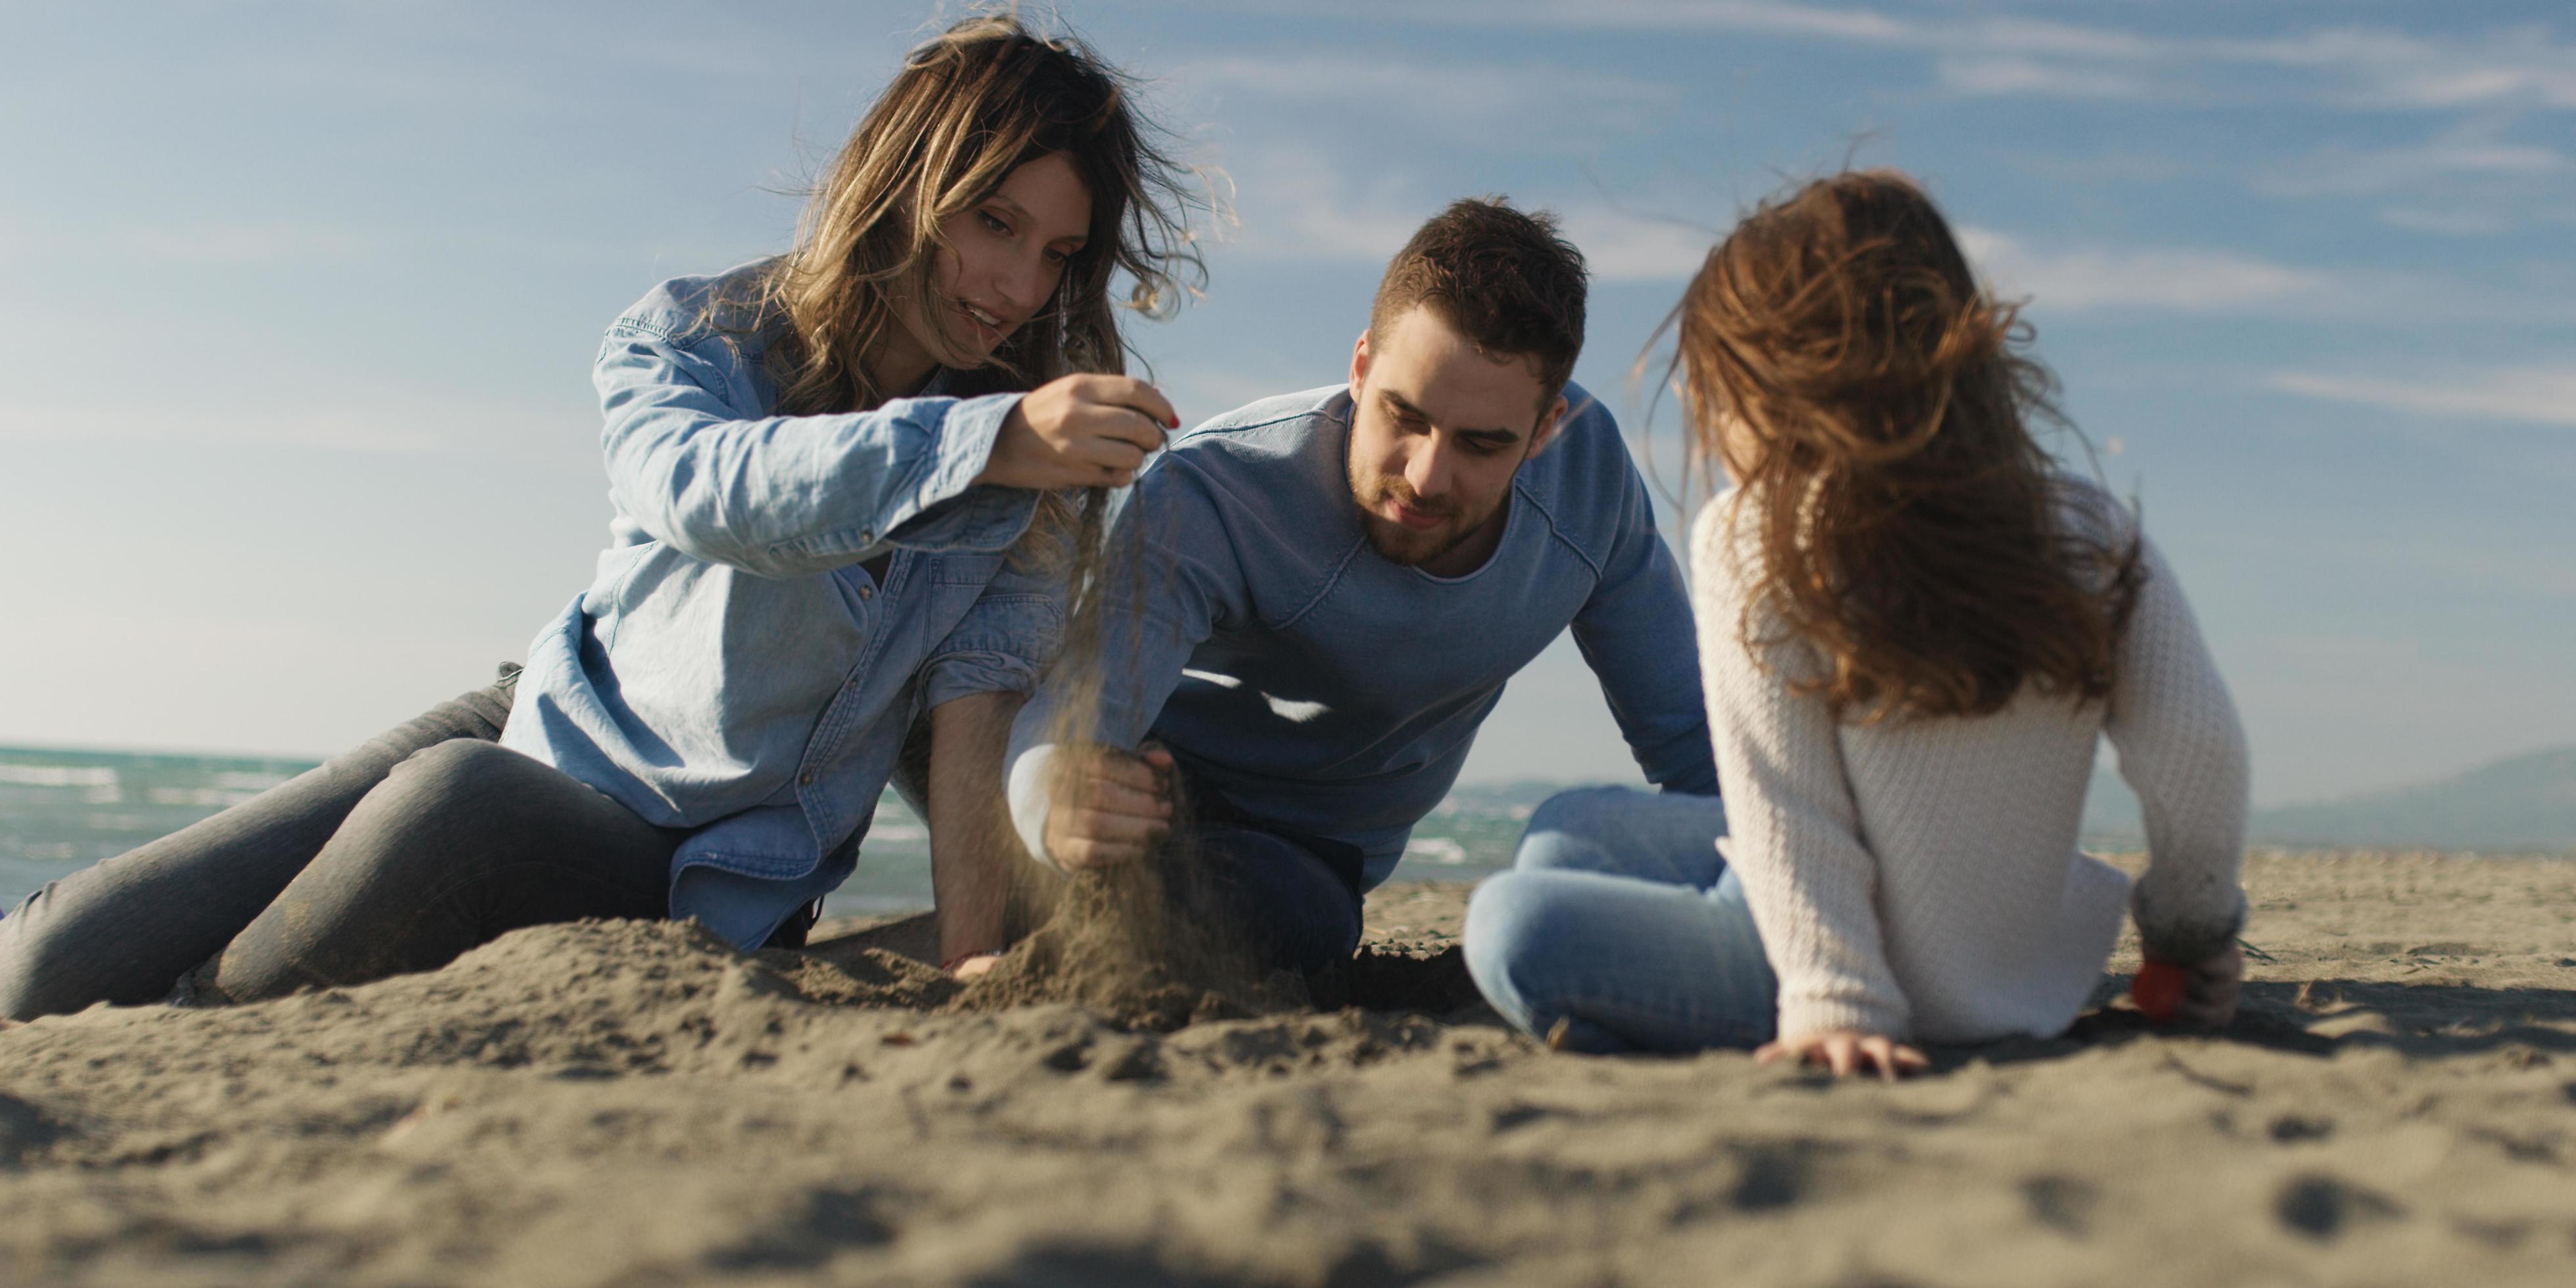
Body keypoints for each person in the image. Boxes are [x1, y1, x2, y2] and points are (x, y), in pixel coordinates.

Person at [0, 14, 1204, 1019]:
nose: (1016, 289)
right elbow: (706, 492)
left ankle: (204, 1026)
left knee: (452, 806)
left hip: (700, 850)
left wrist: (967, 957)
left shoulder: (1033, 459)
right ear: (903, 184)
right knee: (51, 955)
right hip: (550, 711)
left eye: (1056, 254)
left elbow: (974, 706)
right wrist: (981, 443)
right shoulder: (690, 337)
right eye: (992, 222)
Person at [1461, 170, 2251, 1077]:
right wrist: (2189, 938)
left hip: (1855, 968)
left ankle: (1741, 1001)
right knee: (1569, 828)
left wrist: (1839, 998)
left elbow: (1790, 808)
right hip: (2014, 958)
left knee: (1512, 925)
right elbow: (2200, 752)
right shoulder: (2088, 526)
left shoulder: (1759, 535)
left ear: (1781, 379)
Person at [1004, 198, 1719, 977]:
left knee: (1265, 914)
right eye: (1403, 416)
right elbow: (1068, 725)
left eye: (1482, 445)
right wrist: (1058, 800)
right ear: (1359, 366)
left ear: (1544, 429)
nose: (1425, 476)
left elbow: (1689, 737)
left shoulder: (1587, 489)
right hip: (1143, 800)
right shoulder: (1216, 492)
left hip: (1303, 851)